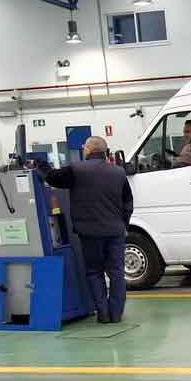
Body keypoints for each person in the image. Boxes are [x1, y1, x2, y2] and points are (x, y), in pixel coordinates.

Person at [40, 136, 134, 324]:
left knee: (94, 272)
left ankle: (103, 314)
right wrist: (123, 225)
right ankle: (116, 314)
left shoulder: (76, 170)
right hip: (115, 232)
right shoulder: (119, 172)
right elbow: (128, 203)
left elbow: (52, 178)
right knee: (116, 273)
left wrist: (39, 165)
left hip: (89, 233)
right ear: (105, 151)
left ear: (89, 149)